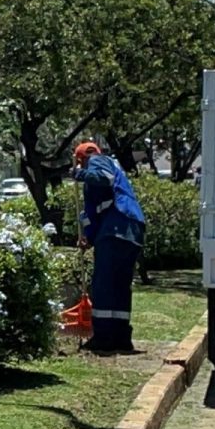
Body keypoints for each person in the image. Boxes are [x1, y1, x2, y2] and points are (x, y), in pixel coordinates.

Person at [72, 142, 147, 354]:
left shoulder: (99, 160)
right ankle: (121, 337)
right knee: (120, 284)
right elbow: (93, 215)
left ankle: (104, 338)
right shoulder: (103, 181)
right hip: (129, 228)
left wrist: (80, 174)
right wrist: (88, 237)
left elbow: (103, 178)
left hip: (117, 226)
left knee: (105, 284)